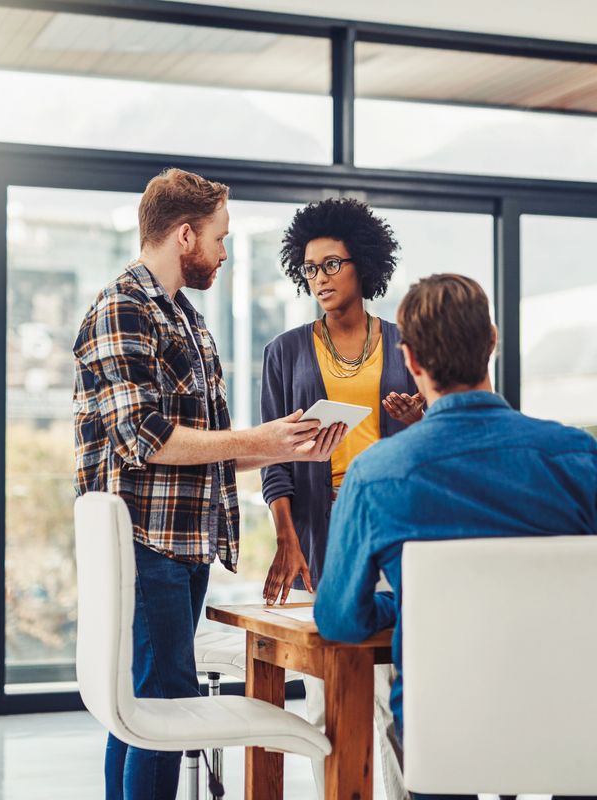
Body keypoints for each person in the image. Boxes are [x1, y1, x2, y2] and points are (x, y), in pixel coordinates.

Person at [73, 168, 345, 800]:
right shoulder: (122, 307)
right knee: (163, 706)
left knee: (142, 705)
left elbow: (202, 453)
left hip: (182, 546)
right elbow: (150, 438)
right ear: (186, 235)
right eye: (220, 239)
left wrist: (291, 447)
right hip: (147, 543)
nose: (225, 253)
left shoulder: (186, 320)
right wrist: (262, 440)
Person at [314, 273, 597, 800]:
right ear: (491, 340)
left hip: (443, 735)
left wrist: (410, 605)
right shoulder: (577, 457)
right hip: (577, 724)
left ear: (412, 361)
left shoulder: (378, 474)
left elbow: (338, 619)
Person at [260, 197, 423, 799]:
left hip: (390, 527)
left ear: (364, 266)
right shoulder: (284, 352)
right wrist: (287, 536)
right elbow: (275, 458)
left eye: (332, 264)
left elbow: (422, 446)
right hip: (320, 532)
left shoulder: (405, 344)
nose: (320, 278)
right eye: (310, 268)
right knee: (326, 696)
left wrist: (410, 422)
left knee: (393, 692)